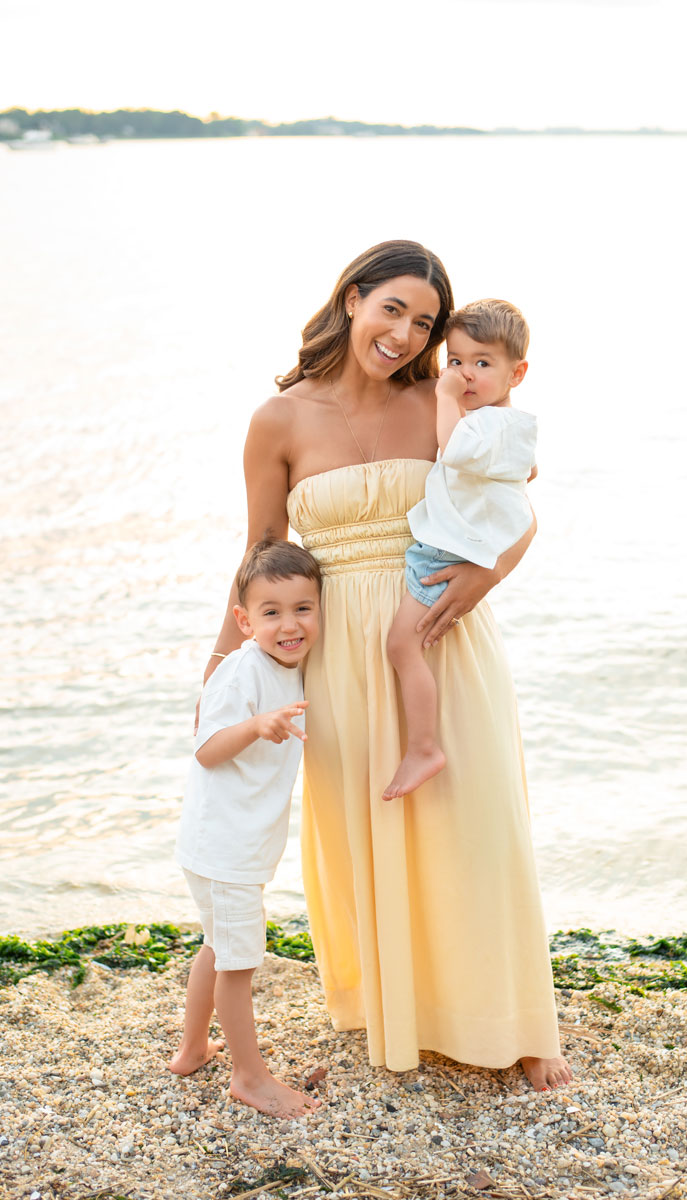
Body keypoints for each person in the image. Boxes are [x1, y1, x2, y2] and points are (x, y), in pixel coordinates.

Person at [203, 240, 572, 1091]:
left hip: (440, 633)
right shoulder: (279, 420)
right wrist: (225, 672)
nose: (406, 335)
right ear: (352, 299)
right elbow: (263, 551)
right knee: (368, 830)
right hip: (334, 659)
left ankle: (516, 1021)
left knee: (477, 823)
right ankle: (402, 1006)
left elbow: (513, 512)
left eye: (426, 323)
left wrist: (480, 585)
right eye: (393, 309)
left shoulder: (445, 407)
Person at [171, 538, 323, 1118]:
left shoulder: (288, 664)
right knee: (239, 963)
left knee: (218, 945)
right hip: (225, 848)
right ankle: (249, 1076)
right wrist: (257, 725)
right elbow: (207, 750)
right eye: (271, 612)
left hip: (225, 846)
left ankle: (190, 1051)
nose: (290, 624)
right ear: (243, 620)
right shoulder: (241, 673)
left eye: (303, 608)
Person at [383, 299, 538, 801]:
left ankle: (424, 747)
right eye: (456, 361)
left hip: (443, 556)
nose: (465, 375)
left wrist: (445, 395)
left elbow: (451, 446)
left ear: (517, 373)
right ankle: (423, 743)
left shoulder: (483, 423)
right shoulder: (503, 422)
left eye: (482, 364)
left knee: (401, 645)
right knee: (409, 647)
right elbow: (522, 471)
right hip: (448, 546)